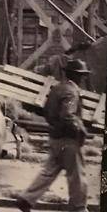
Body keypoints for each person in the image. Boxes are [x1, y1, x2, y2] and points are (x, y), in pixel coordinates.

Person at [15, 58, 91, 212]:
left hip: (55, 138)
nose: (83, 78)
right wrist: (81, 130)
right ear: (77, 76)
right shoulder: (72, 92)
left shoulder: (57, 88)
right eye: (82, 75)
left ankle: (27, 199)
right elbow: (68, 115)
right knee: (77, 177)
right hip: (69, 141)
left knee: (48, 172)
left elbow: (47, 112)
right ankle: (78, 208)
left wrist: (55, 126)